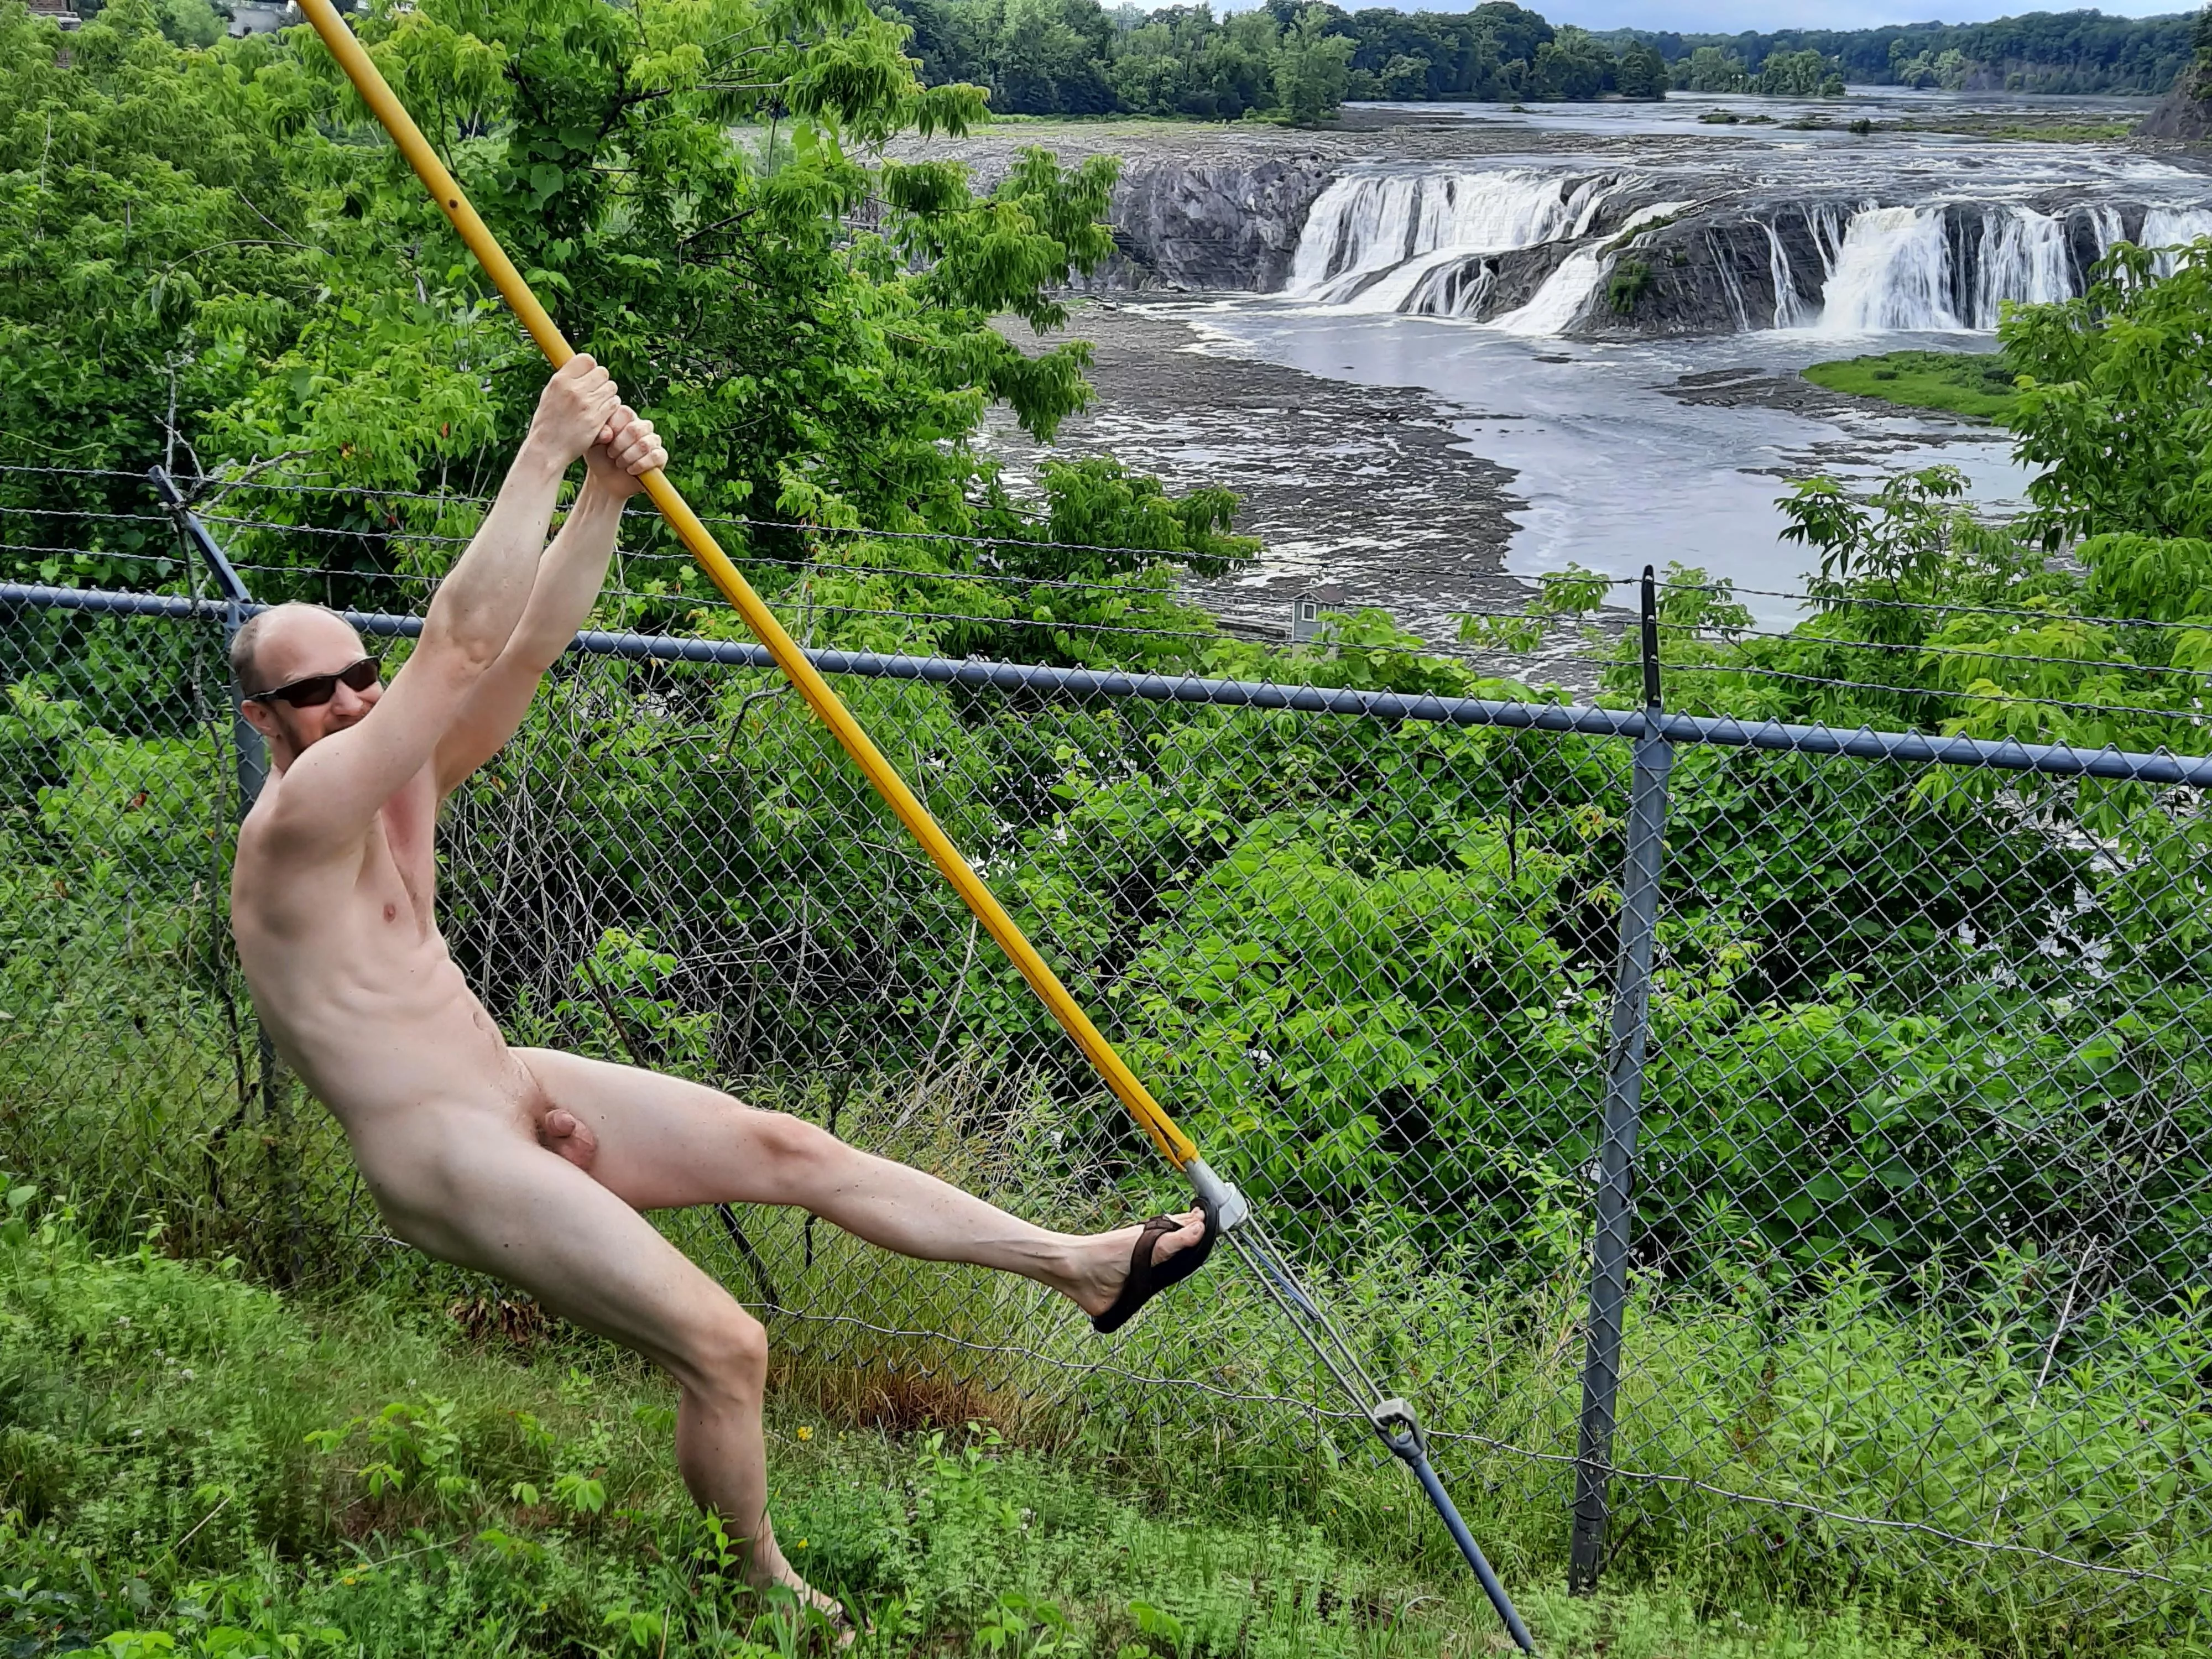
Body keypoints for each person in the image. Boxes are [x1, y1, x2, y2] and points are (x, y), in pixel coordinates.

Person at [227, 356, 1216, 1625]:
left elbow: (521, 649)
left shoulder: (396, 776)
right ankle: (756, 1596)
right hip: (440, 1155)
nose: (351, 700)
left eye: (360, 674)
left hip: (503, 1082)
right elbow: (460, 638)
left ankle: (1078, 1265)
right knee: (725, 1346)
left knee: (788, 1146)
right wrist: (545, 442)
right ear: (263, 719)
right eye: (311, 692)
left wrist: (602, 492)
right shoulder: (297, 823)